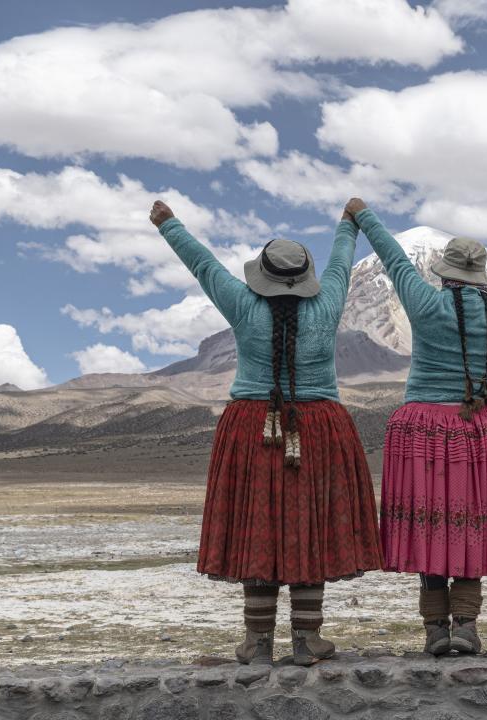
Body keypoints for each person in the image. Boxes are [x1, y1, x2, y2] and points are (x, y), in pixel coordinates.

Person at [149, 200, 381, 666]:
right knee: (306, 524)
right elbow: (340, 264)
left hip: (252, 426)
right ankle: (306, 641)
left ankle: (257, 643)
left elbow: (202, 264)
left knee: (260, 525)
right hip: (320, 428)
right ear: (305, 277)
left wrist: (168, 223)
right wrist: (346, 223)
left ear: (263, 275)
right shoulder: (329, 302)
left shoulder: (241, 303)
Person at [343, 197, 487, 656]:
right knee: (469, 525)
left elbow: (393, 257)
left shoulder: (423, 301)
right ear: (481, 277)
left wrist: (363, 216)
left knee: (429, 524)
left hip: (423, 429)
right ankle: (466, 626)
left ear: (444, 273)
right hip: (482, 429)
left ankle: (435, 632)